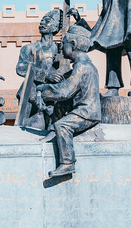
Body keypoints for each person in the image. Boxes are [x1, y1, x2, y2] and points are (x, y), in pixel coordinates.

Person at [36, 25, 100, 178]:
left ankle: (67, 163)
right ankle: (53, 131)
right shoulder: (83, 66)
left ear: (73, 44)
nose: (61, 47)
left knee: (63, 126)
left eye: (63, 43)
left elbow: (64, 92)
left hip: (86, 112)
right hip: (83, 110)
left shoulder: (82, 67)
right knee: (61, 106)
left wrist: (43, 90)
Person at [15, 9, 63, 129]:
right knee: (33, 126)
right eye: (41, 21)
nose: (42, 23)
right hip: (33, 91)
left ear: (55, 27)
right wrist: (46, 75)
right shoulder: (29, 48)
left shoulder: (61, 49)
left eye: (46, 21)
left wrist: (78, 20)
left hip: (55, 92)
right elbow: (21, 68)